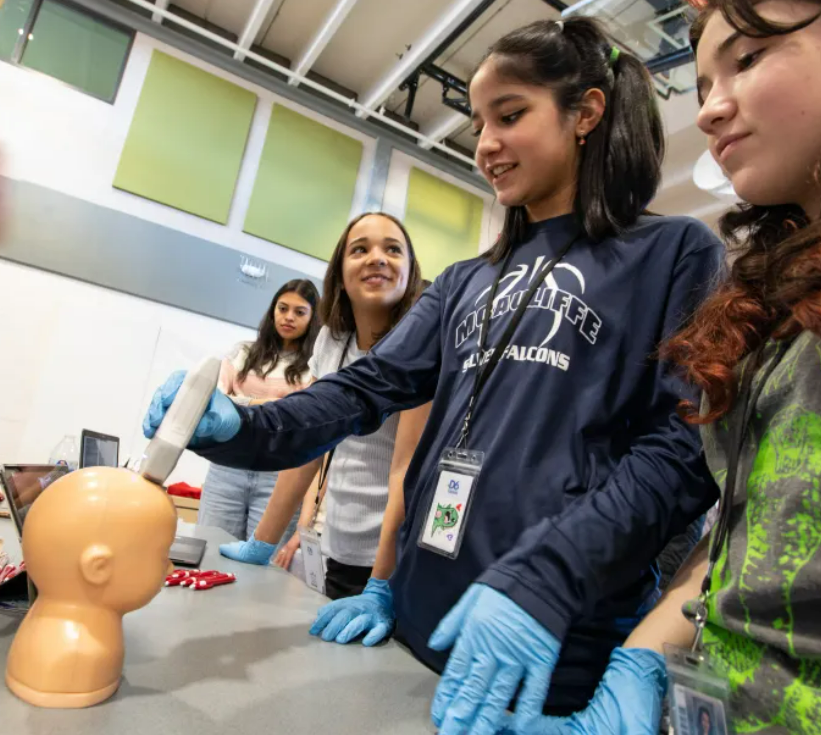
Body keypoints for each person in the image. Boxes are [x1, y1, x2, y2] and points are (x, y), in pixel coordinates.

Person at [143, 17, 725, 734]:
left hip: (547, 642)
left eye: (509, 115)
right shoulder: (460, 283)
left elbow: (681, 449)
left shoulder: (671, 252)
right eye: (478, 122)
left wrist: (555, 571)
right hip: (420, 619)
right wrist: (244, 426)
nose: (484, 144)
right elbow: (360, 391)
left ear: (586, 113)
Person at [531, 0, 821, 732]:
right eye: (700, 85)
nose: (713, 110)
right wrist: (644, 657)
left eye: (748, 59)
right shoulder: (774, 300)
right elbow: (748, 535)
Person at [218, 213, 431, 601]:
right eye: (360, 249)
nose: (377, 258)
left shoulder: (420, 346)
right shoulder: (333, 341)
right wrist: (263, 542)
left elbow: (405, 469)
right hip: (340, 549)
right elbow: (307, 446)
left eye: (393, 249)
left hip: (392, 562)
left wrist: (380, 584)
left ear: (410, 270)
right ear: (340, 272)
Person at [196, 279, 319, 545]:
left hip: (279, 477)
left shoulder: (314, 369)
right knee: (209, 553)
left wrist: (241, 401)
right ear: (273, 310)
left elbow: (301, 418)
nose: (288, 317)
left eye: (300, 312)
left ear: (312, 319)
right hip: (226, 467)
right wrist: (265, 404)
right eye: (282, 308)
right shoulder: (243, 352)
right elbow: (216, 400)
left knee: (261, 568)